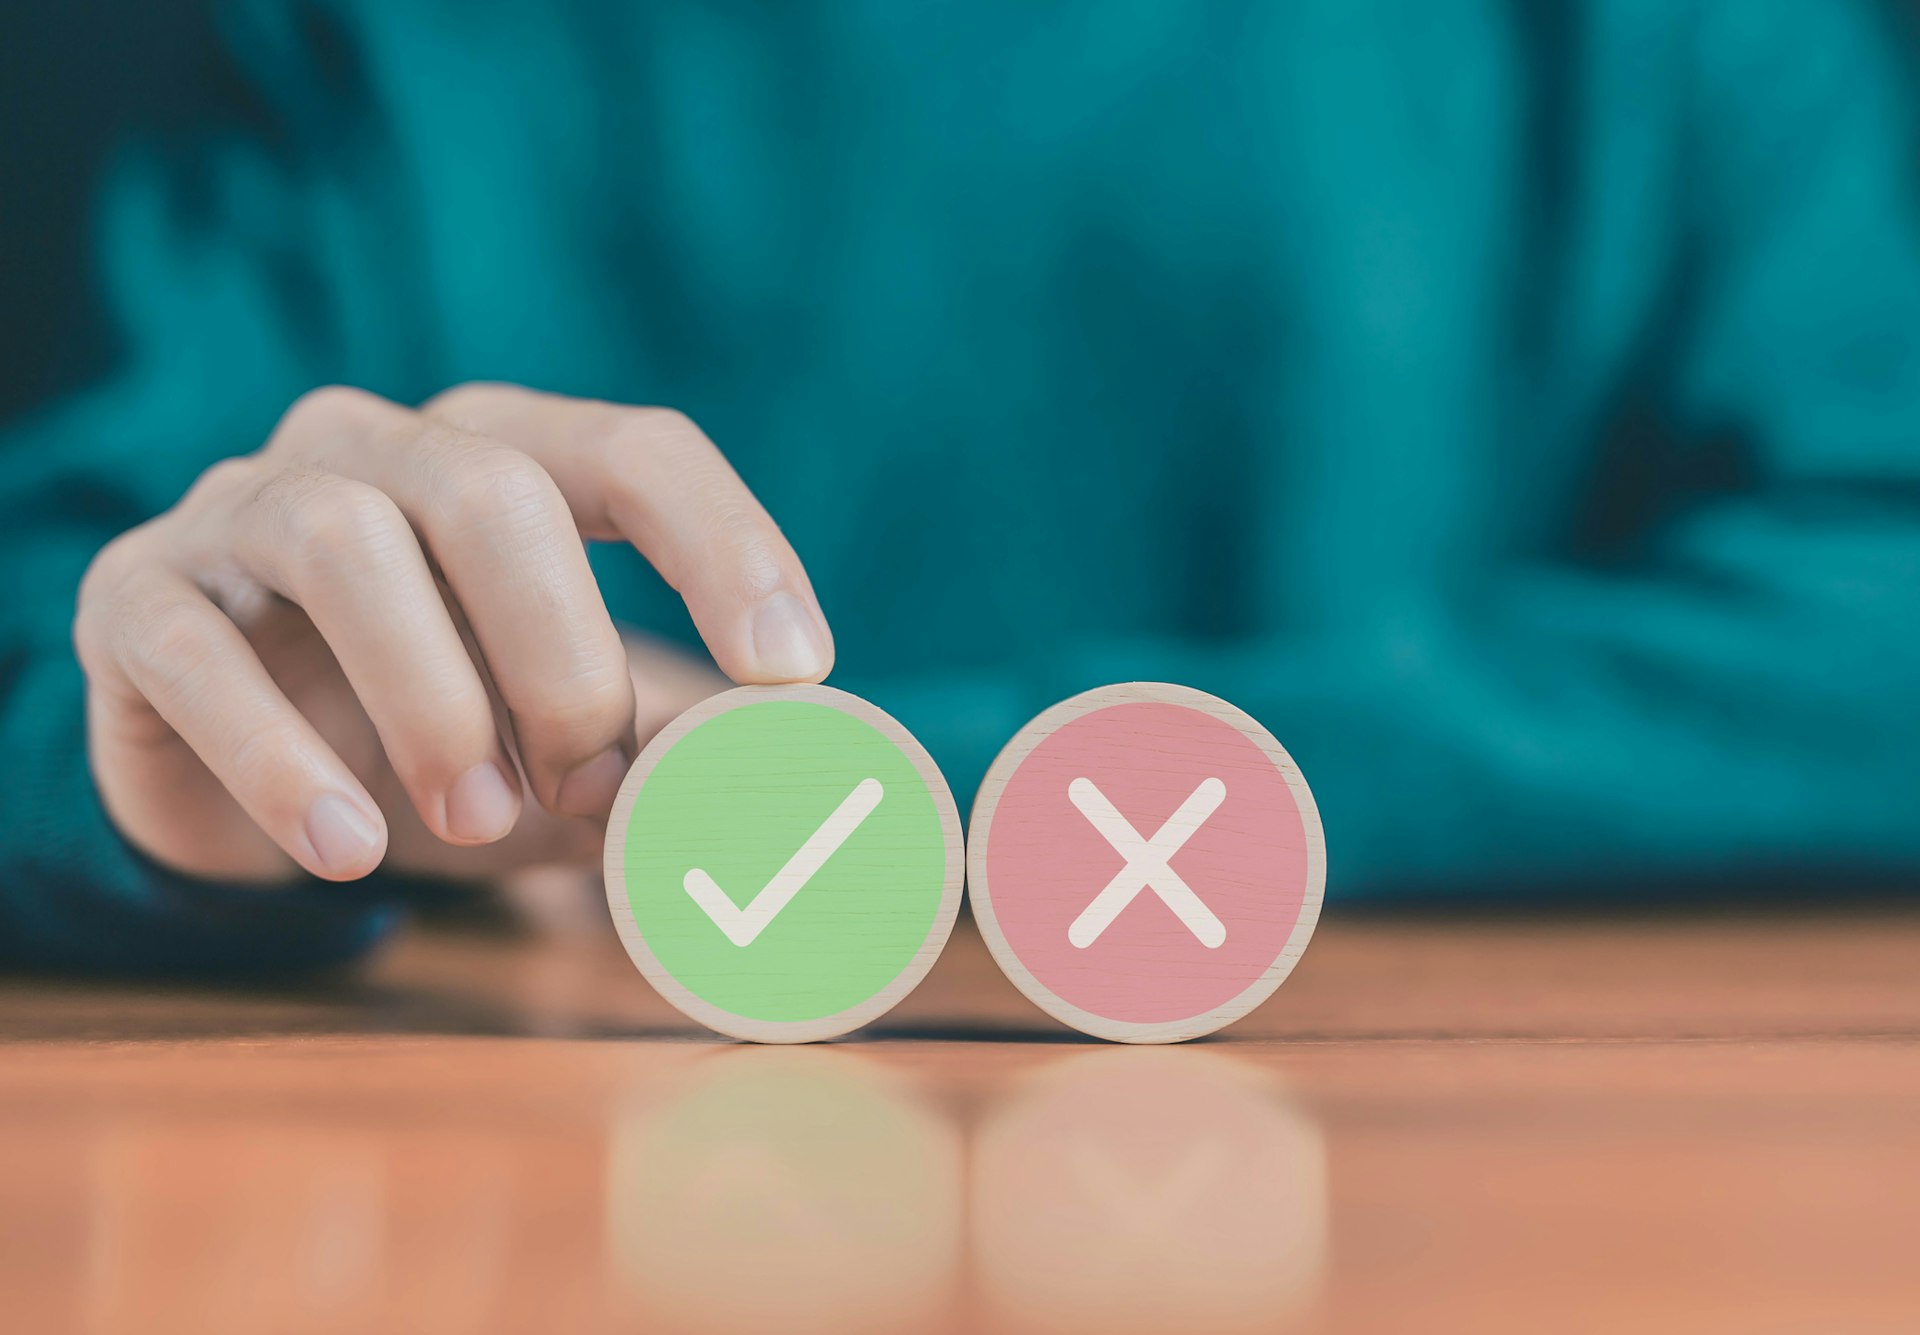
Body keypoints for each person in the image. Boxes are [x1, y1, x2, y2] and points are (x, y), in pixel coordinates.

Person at [2, 0, 1917, 973]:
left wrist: (872, 780)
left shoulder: (1666, 45)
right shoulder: (363, 56)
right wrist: (151, 778)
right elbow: (75, 632)